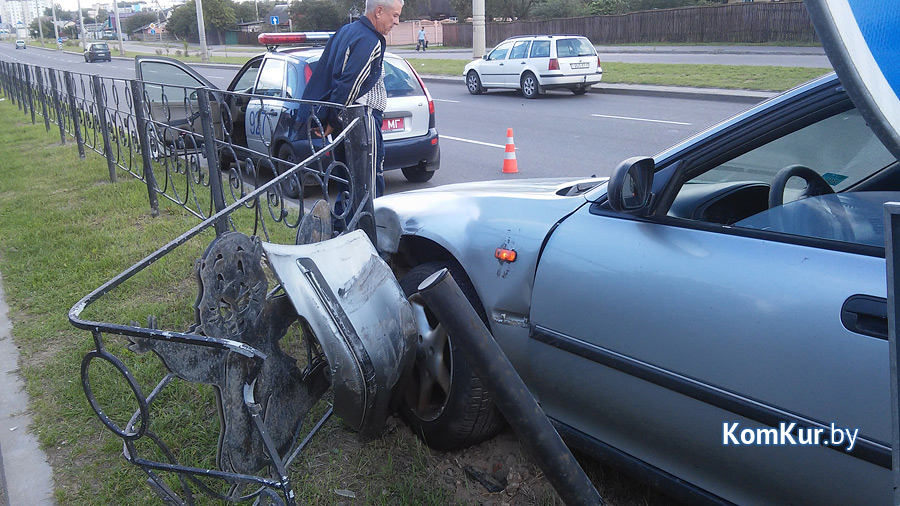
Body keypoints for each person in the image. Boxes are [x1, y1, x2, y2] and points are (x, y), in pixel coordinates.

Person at [300, 0, 403, 198]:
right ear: (379, 11)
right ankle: (368, 219)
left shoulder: (345, 31)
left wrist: (332, 118)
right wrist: (333, 120)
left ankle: (344, 219)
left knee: (346, 180)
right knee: (369, 182)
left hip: (345, 119)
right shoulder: (370, 39)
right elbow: (349, 84)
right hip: (362, 119)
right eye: (395, 15)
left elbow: (327, 74)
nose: (397, 22)